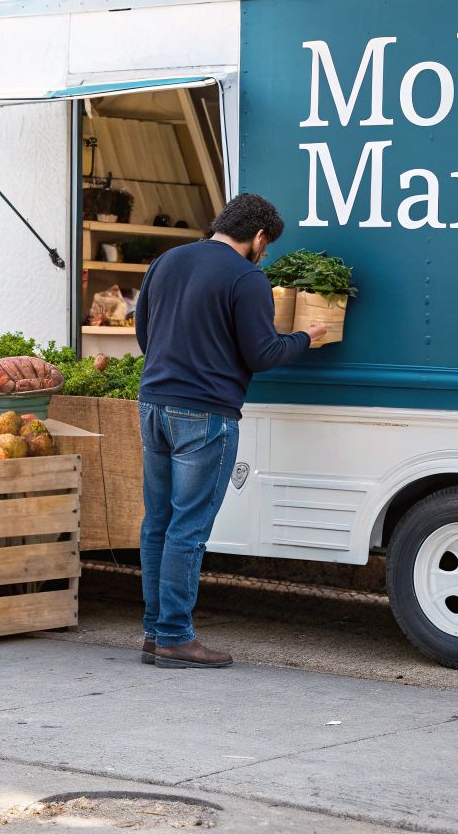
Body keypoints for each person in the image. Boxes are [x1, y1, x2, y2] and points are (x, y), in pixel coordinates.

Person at [133, 193, 327, 668]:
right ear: (259, 237)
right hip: (205, 415)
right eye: (267, 244)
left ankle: (155, 634)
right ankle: (176, 636)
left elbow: (143, 332)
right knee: (188, 529)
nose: (265, 252)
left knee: (157, 523)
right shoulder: (247, 277)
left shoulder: (166, 261)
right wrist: (306, 337)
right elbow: (263, 354)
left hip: (154, 404)